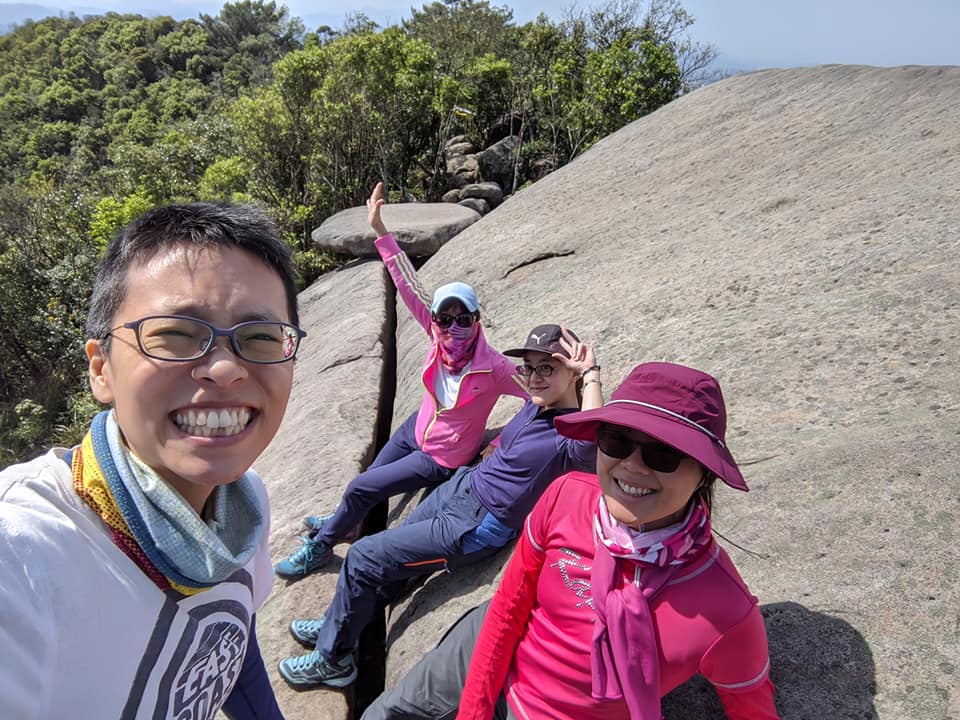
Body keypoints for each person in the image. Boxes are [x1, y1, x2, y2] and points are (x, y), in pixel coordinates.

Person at [0, 203, 304, 719]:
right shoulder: (24, 560)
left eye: (260, 338)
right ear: (101, 370)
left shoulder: (241, 507)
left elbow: (228, 641)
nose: (227, 369)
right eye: (176, 335)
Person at [362, 362, 779, 720]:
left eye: (663, 454)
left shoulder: (726, 613)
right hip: (486, 648)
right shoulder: (566, 496)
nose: (632, 466)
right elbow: (508, 608)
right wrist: (475, 711)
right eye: (617, 440)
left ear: (704, 473)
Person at [277, 324, 605, 689]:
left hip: (476, 524)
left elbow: (594, 440)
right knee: (392, 557)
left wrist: (591, 375)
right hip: (462, 487)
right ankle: (337, 625)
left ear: (571, 373)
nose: (535, 376)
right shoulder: (536, 403)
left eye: (548, 367)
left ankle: (333, 660)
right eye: (530, 367)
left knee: (365, 556)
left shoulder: (571, 434)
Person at [274, 182, 527, 578]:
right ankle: (347, 520)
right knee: (367, 480)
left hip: (441, 457)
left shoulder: (493, 366)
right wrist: (380, 230)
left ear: (477, 321)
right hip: (415, 429)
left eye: (464, 319)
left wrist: (498, 441)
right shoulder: (435, 333)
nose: (452, 326)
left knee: (361, 489)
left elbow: (538, 397)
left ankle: (321, 547)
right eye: (446, 318)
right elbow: (409, 285)